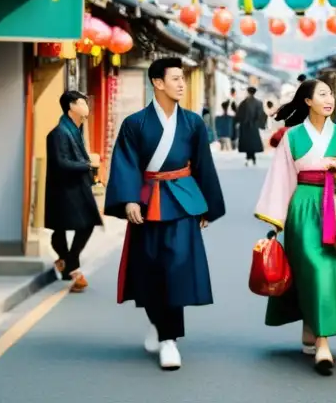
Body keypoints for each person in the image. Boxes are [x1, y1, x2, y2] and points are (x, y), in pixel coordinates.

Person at [105, 58, 226, 371]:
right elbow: (126, 162)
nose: (182, 84)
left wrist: (206, 207)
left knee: (177, 269)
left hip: (183, 201)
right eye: (175, 78)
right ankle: (158, 325)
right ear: (157, 83)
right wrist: (129, 199)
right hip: (147, 203)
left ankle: (169, 339)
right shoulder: (135, 123)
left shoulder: (193, 123)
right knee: (150, 269)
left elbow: (203, 165)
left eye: (183, 78)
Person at [255, 78, 336, 376]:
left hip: (335, 207)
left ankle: (312, 328)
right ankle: (323, 343)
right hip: (304, 209)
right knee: (313, 269)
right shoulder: (292, 137)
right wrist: (275, 222)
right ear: (307, 101)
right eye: (322, 94)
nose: (329, 98)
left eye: (331, 93)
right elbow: (281, 179)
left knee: (330, 271)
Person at [44, 91, 102, 293]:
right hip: (63, 189)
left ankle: (66, 262)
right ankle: (72, 267)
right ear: (71, 107)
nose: (86, 105)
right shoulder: (58, 133)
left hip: (77, 186)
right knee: (62, 228)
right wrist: (86, 165)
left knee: (86, 224)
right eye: (81, 102)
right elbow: (60, 162)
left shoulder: (75, 129)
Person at [235, 86, 266, 166]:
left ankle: (248, 157)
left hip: (245, 125)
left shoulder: (244, 102)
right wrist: (260, 124)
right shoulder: (259, 103)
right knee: (253, 141)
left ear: (248, 92)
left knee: (247, 142)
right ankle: (252, 157)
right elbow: (261, 115)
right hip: (254, 125)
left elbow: (239, 114)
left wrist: (237, 122)